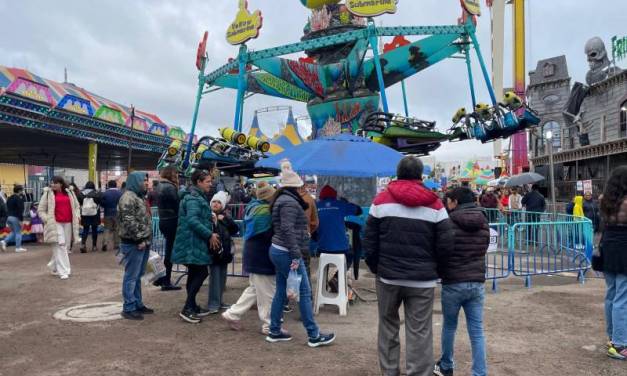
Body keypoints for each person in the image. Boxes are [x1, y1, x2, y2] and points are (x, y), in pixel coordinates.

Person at [363, 156, 454, 376]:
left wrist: (377, 267)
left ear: (398, 173)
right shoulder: (436, 204)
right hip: (422, 280)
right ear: (421, 175)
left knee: (387, 326)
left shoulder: (380, 201)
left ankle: (390, 372)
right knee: (420, 331)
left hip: (387, 277)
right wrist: (438, 271)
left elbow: (369, 240)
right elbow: (446, 244)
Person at [266, 160, 335, 347]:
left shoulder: (282, 199)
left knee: (281, 290)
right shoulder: (289, 202)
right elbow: (288, 229)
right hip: (288, 251)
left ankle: (274, 330)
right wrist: (296, 254)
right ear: (295, 187)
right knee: (304, 292)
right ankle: (313, 335)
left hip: (280, 250)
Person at [434, 187, 490, 376]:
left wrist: (441, 272)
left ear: (455, 202)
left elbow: (442, 251)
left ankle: (446, 366)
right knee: (477, 331)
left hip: (453, 282)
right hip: (477, 282)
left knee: (450, 326)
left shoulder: (448, 223)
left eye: (448, 200)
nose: (446, 204)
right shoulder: (484, 222)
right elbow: (484, 248)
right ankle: (480, 372)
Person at [222, 182, 277, 334]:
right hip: (262, 255)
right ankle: (269, 325)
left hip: (253, 253)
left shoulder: (252, 208)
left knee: (254, 289)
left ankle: (232, 314)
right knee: (267, 293)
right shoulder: (265, 212)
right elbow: (267, 235)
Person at [171, 169, 217, 323]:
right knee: (201, 272)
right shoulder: (194, 198)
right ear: (199, 182)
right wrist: (209, 234)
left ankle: (192, 305)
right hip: (192, 242)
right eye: (208, 182)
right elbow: (192, 220)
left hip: (192, 241)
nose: (210, 184)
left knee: (194, 273)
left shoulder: (196, 197)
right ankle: (187, 308)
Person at [598, 166, 627, 360]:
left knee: (611, 294)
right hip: (624, 248)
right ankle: (619, 344)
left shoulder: (604, 201)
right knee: (623, 297)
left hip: (607, 247)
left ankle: (612, 337)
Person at [117, 172, 153, 320]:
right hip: (134, 243)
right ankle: (129, 307)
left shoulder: (138, 196)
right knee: (131, 276)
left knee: (137, 276)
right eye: (143, 180)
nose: (146, 183)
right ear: (135, 181)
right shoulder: (128, 197)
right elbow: (129, 221)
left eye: (147, 180)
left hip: (142, 242)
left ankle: (137, 303)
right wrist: (139, 240)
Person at [316, 185, 362, 291]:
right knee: (350, 254)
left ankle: (323, 285)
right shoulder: (341, 205)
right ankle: (336, 278)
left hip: (321, 249)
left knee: (324, 262)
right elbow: (359, 211)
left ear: (321, 196)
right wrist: (346, 202)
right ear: (334, 196)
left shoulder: (316, 206)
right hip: (341, 250)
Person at [38, 177, 81, 279]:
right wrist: (47, 219)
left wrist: (77, 215)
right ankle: (64, 271)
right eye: (52, 183)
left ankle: (53, 266)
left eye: (55, 183)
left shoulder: (70, 192)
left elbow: (76, 206)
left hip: (68, 223)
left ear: (61, 184)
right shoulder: (48, 193)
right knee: (60, 245)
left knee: (63, 247)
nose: (53, 185)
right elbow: (41, 210)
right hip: (55, 223)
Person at [207, 191, 239, 313]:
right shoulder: (208, 215)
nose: (215, 204)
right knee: (215, 278)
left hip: (224, 251)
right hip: (214, 251)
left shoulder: (226, 215)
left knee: (222, 278)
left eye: (218, 202)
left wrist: (224, 219)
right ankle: (213, 304)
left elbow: (235, 229)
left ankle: (219, 301)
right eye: (214, 201)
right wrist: (215, 221)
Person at [153, 166, 182, 291]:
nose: (177, 175)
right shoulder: (170, 187)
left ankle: (162, 278)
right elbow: (177, 205)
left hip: (163, 220)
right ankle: (165, 281)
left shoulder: (159, 186)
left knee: (168, 251)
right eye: (175, 173)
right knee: (170, 252)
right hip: (172, 221)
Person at [299, 183, 319, 278]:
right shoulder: (309, 199)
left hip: (285, 240)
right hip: (304, 237)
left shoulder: (284, 197)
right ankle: (307, 292)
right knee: (305, 266)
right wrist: (309, 231)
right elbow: (315, 222)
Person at [1, 185, 27, 253]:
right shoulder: (18, 198)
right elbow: (20, 210)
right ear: (19, 191)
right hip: (15, 217)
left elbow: (6, 207)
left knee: (14, 232)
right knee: (18, 232)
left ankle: (4, 241)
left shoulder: (9, 198)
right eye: (22, 190)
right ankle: (18, 247)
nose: (23, 191)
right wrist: (21, 220)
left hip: (8, 217)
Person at [78, 181, 102, 253]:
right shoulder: (97, 193)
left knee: (85, 229)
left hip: (85, 214)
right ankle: (94, 246)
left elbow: (79, 202)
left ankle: (83, 244)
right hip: (95, 213)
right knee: (94, 229)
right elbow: (100, 202)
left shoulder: (81, 194)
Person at [101, 180, 122, 252]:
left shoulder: (105, 193)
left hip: (107, 213)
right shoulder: (120, 193)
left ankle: (105, 243)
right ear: (116, 185)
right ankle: (116, 244)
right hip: (117, 213)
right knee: (117, 229)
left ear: (109, 185)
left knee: (107, 228)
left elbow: (102, 203)